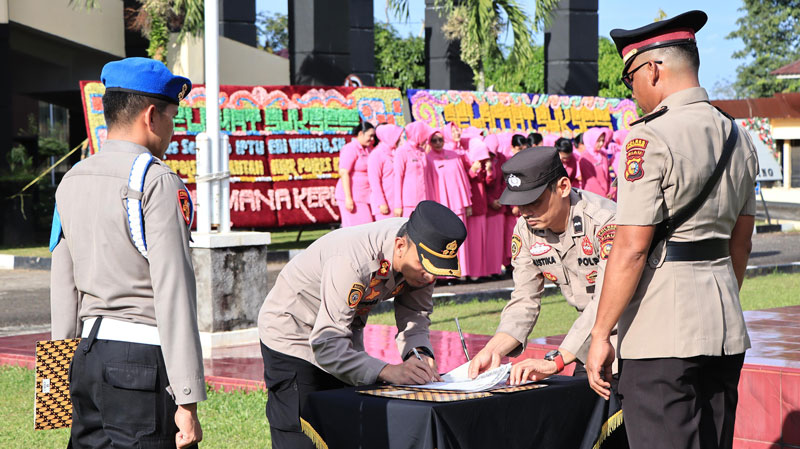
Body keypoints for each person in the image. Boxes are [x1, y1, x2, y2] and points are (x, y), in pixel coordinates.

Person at [586, 10, 759, 449]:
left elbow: (630, 248)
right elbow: (741, 240)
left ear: (653, 69)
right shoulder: (737, 137)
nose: (633, 92)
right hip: (723, 326)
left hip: (661, 332)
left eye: (631, 80)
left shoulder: (648, 139)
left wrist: (601, 334)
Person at [50, 57, 204, 448]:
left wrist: (53, 381)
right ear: (151, 117)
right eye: (173, 115)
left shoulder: (71, 180)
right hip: (140, 362)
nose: (173, 127)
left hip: (86, 355)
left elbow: (63, 286)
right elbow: (174, 291)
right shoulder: (157, 181)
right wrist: (187, 397)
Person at [258, 200, 467, 449]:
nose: (430, 277)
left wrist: (419, 354)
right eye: (426, 268)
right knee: (302, 430)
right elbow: (327, 344)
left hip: (342, 334)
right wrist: (386, 371)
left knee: (345, 425)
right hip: (293, 333)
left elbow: (415, 314)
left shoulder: (422, 253)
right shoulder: (353, 261)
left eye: (437, 270)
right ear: (400, 246)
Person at [467, 147, 618, 382]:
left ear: (563, 187)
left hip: (637, 342)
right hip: (586, 345)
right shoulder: (526, 229)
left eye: (533, 201)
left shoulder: (604, 222)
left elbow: (609, 297)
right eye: (518, 203)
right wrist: (493, 350)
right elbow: (524, 300)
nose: (524, 212)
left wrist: (556, 360)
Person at [425, 129, 473, 277]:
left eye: (441, 140)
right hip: (440, 206)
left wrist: (468, 202)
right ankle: (446, 274)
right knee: (443, 240)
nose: (438, 143)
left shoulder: (453, 155)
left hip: (458, 203)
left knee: (460, 239)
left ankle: (463, 272)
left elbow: (463, 180)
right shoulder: (428, 159)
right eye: (434, 140)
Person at [335, 122, 376, 227]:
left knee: (368, 227)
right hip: (353, 196)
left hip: (364, 195)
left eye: (373, 136)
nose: (372, 139)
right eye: (370, 136)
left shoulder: (368, 149)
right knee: (359, 229)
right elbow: (344, 172)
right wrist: (348, 198)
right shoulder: (350, 148)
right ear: (361, 133)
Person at [393, 121, 436, 217]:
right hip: (409, 203)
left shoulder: (422, 152)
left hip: (424, 200)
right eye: (424, 135)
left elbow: (427, 177)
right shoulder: (402, 151)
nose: (426, 138)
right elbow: (398, 177)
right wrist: (398, 204)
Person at [463, 137, 491, 280]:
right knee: (473, 242)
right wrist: (473, 170)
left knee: (481, 241)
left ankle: (480, 272)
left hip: (481, 205)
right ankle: (473, 273)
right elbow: (463, 180)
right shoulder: (464, 159)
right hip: (472, 206)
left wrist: (487, 171)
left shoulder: (480, 165)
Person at [368, 123, 403, 221]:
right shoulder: (376, 154)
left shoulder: (395, 153)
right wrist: (381, 202)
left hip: (395, 202)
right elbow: (374, 181)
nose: (399, 139)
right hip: (384, 205)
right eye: (396, 136)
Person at [579, 127, 613, 199]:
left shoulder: (603, 154)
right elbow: (591, 181)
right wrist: (603, 196)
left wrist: (611, 191)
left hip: (606, 196)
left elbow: (608, 176)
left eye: (603, 140)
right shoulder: (585, 157)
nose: (601, 144)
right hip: (592, 196)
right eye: (598, 141)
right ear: (591, 140)